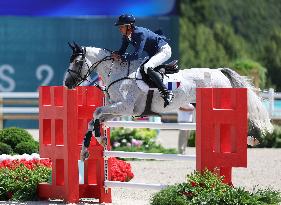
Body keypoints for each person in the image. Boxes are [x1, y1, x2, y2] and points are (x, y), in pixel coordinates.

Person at [111, 14, 174, 107]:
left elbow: (136, 55)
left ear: (129, 26)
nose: (119, 29)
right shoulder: (126, 36)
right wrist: (114, 54)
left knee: (147, 67)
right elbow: (121, 51)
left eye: (121, 26)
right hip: (154, 53)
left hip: (163, 50)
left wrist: (122, 58)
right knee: (140, 68)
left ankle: (167, 92)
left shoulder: (140, 34)